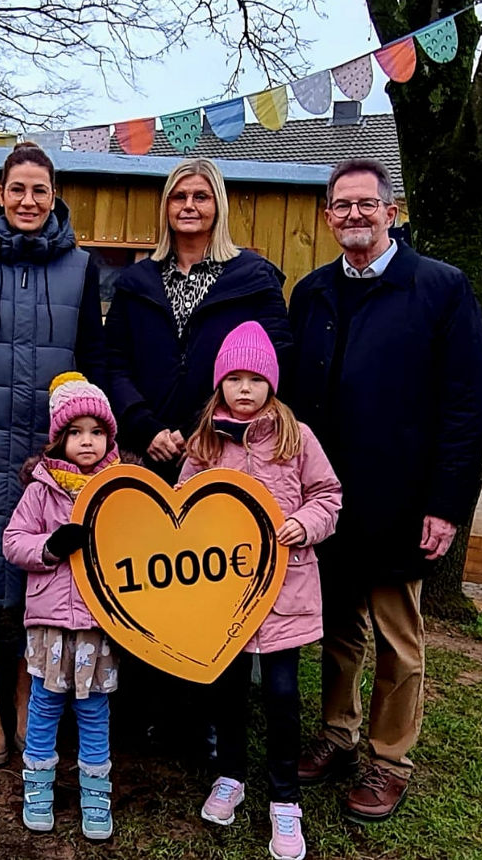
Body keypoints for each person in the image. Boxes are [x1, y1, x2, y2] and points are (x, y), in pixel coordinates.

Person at [285, 158, 482, 821]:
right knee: (338, 629)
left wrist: (447, 504)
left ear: (390, 211)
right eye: (341, 206)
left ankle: (389, 760)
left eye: (365, 205)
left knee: (398, 639)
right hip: (327, 499)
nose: (353, 215)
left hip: (402, 498)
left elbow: (465, 406)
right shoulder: (312, 293)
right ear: (327, 217)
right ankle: (338, 737)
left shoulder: (439, 288)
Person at [0, 141, 107, 766]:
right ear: (0, 196)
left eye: (39, 190)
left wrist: (97, 448)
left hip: (56, 455)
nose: (28, 200)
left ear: (53, 196)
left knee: (51, 573)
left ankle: (27, 690)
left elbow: (94, 359)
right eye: (17, 189)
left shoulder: (81, 268)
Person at [178, 322, 341, 860]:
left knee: (280, 695)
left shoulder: (297, 438)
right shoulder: (204, 441)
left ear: (271, 383)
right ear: (219, 383)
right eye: (233, 378)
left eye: (254, 378)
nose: (243, 389)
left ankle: (284, 800)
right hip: (221, 596)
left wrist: (304, 523)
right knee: (224, 692)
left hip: (283, 596)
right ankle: (230, 776)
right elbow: (180, 505)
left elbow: (328, 494)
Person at [105, 158, 292, 484]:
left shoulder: (255, 279)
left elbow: (276, 364)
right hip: (143, 451)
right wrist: (145, 427)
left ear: (218, 205)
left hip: (225, 451)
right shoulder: (135, 283)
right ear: (166, 206)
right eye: (179, 197)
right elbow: (112, 364)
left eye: (201, 197)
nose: (189, 206)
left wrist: (206, 429)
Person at [3, 372, 121, 841]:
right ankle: (38, 788)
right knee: (45, 705)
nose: (87, 442)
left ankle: (96, 793)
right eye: (76, 432)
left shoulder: (118, 490)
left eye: (96, 432)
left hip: (99, 623)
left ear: (108, 437)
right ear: (59, 439)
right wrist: (51, 547)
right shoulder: (41, 489)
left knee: (93, 710)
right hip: (50, 624)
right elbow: (14, 542)